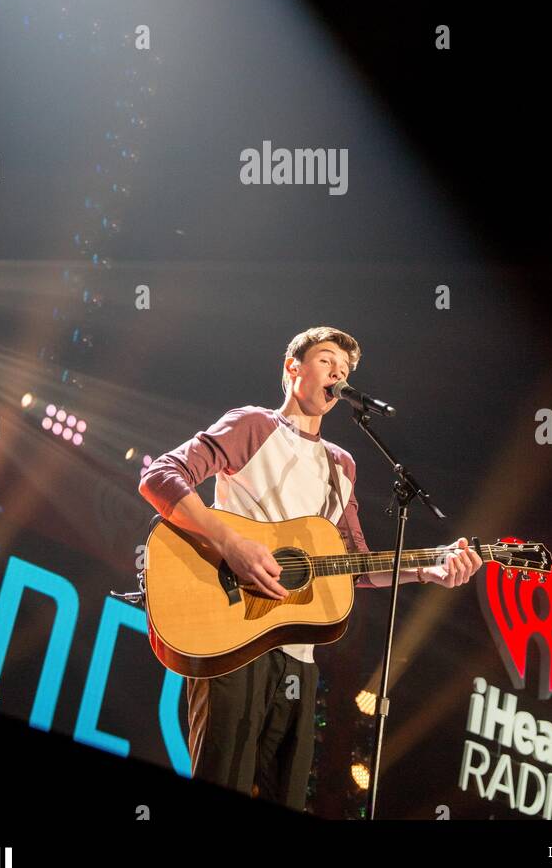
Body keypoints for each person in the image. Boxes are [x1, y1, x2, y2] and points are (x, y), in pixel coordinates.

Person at [138, 325, 481, 812]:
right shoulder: (252, 425)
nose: (337, 375)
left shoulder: (341, 466)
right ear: (292, 368)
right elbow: (160, 477)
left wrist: (428, 569)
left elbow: (355, 566)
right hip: (231, 631)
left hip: (298, 652)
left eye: (344, 371)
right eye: (326, 362)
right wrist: (231, 543)